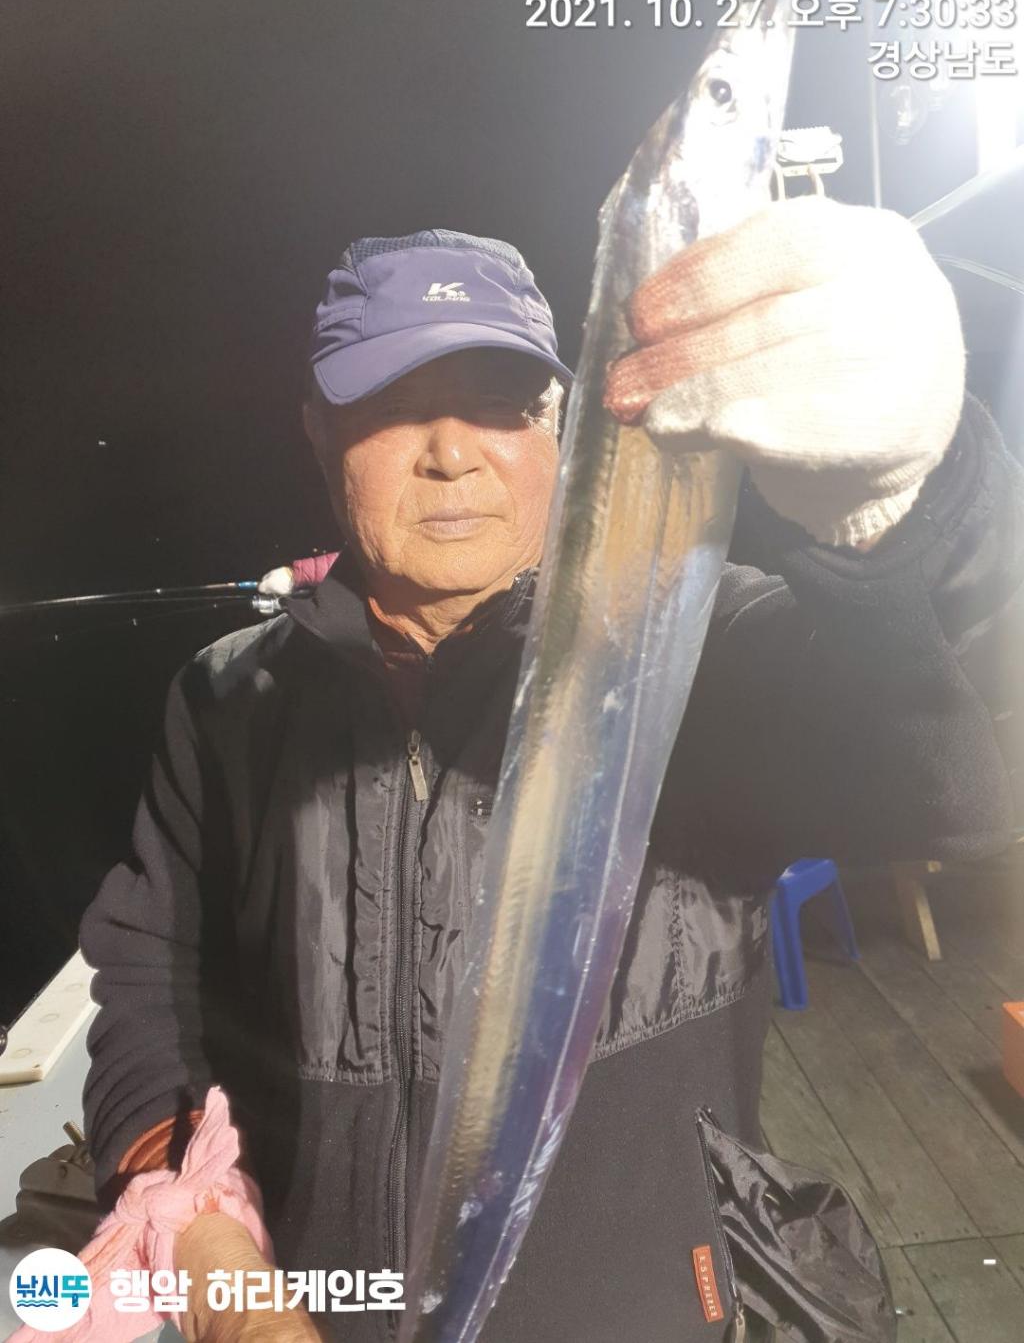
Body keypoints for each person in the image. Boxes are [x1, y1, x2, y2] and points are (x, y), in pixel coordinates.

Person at [67, 214, 1021, 1343]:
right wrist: (206, 1243)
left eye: (502, 403)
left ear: (561, 430)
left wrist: (917, 500)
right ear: (320, 433)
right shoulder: (228, 697)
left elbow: (959, 765)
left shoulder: (685, 653)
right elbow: (151, 974)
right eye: (393, 404)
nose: (451, 453)